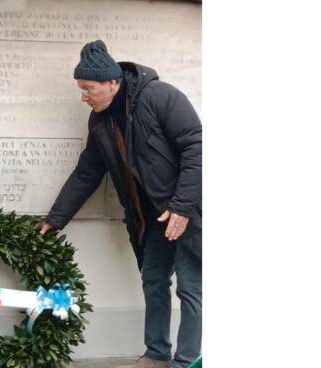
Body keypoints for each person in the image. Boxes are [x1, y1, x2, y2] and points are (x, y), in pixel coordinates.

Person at [41, 40, 202, 368]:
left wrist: (183, 207)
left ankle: (185, 362)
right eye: (81, 88)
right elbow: (87, 171)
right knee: (154, 279)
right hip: (153, 217)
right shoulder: (100, 121)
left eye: (88, 88)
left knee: (189, 287)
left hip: (191, 210)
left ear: (112, 83)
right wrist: (55, 219)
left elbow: (197, 148)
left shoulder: (160, 97)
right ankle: (157, 354)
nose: (83, 95)